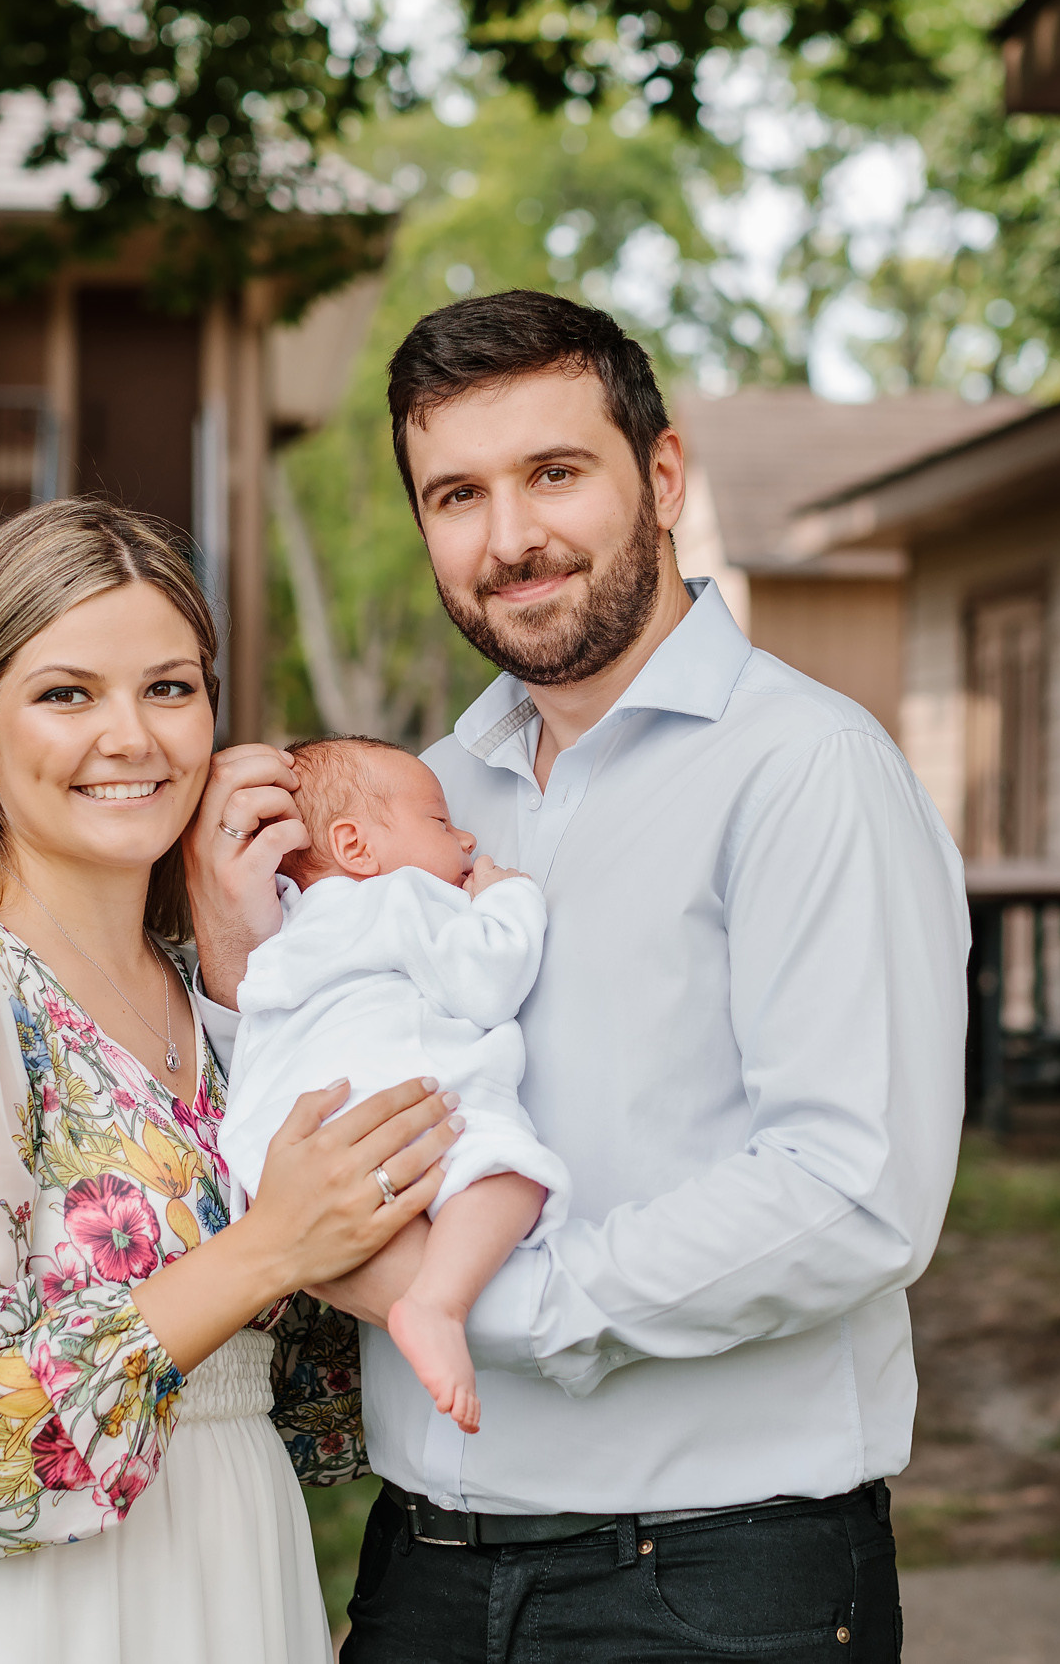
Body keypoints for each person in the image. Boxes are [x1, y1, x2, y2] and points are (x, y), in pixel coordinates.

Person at [186, 291, 968, 1661]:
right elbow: (346, 1065)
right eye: (456, 493)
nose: (511, 538)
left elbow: (853, 1187)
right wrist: (239, 958)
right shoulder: (431, 796)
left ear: (661, 476)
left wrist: (500, 1302)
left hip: (710, 1581)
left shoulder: (802, 768)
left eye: (555, 472)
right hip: (424, 1563)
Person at [0, 501, 461, 1664]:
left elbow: (319, 1399)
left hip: (235, 1572)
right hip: (38, 1618)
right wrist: (266, 1249)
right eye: (68, 695)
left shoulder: (204, 992)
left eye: (169, 689)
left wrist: (235, 966)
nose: (133, 739)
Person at [215, 736, 567, 1434]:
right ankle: (438, 1299)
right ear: (355, 846)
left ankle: (418, 1294)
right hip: (400, 1105)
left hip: (292, 1144)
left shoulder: (289, 930)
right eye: (440, 822)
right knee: (512, 1173)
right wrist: (509, 898)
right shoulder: (402, 897)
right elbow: (489, 979)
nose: (466, 836)